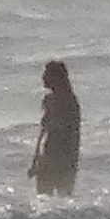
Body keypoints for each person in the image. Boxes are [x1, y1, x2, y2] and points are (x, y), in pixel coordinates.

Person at [28, 60, 81, 197]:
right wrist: (35, 161)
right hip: (48, 154)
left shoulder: (69, 101)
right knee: (43, 197)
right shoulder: (48, 100)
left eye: (46, 74)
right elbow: (42, 133)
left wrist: (72, 162)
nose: (43, 78)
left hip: (63, 155)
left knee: (63, 197)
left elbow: (74, 133)